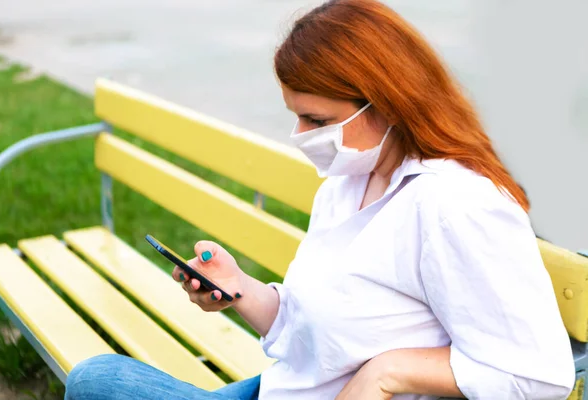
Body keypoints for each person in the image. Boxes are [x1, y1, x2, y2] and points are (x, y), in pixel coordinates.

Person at [64, 0, 575, 399]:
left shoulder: (455, 206)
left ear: (389, 99)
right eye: (296, 116)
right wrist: (237, 288)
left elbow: (537, 374)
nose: (300, 135)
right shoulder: (348, 179)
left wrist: (386, 373)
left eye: (318, 120)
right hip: (283, 388)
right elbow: (312, 334)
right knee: (97, 379)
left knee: (98, 385)